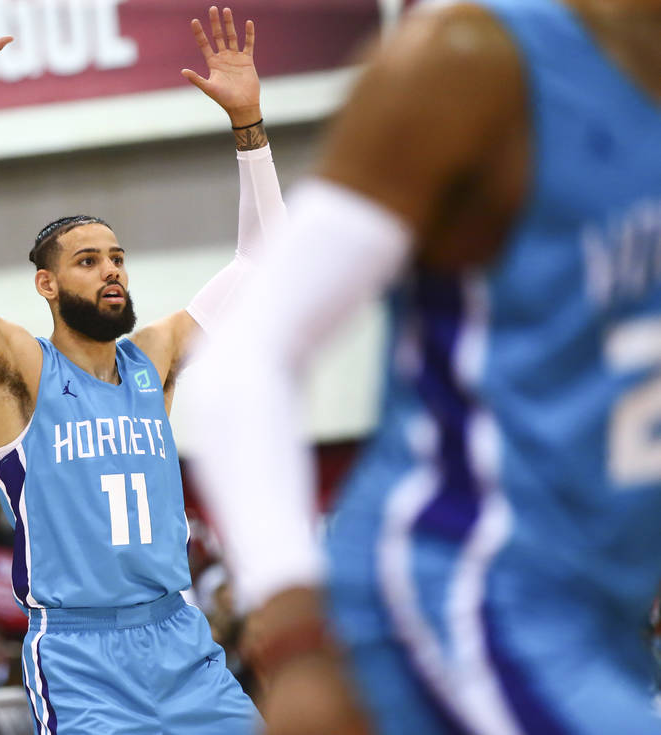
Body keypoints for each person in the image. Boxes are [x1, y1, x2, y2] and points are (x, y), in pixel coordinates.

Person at [189, 0, 661, 734]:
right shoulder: (474, 59)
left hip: (607, 616)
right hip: (462, 601)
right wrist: (296, 627)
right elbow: (242, 357)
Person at [0, 1, 286, 730]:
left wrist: (249, 127)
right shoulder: (19, 370)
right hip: (81, 656)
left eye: (117, 259)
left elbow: (267, 262)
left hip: (180, 638)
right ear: (47, 284)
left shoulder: (155, 360)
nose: (111, 272)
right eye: (87, 261)